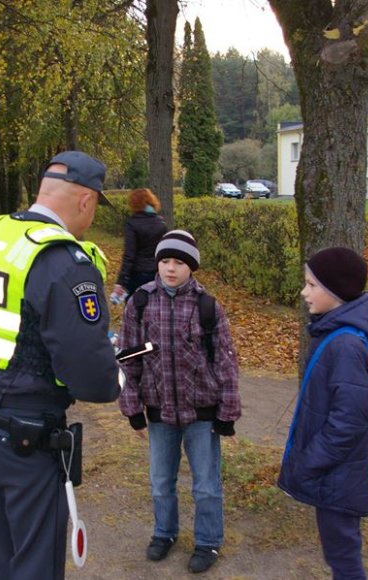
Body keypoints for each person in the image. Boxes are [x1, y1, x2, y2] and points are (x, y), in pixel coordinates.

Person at [0, 150, 121, 580]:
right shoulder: (64, 261)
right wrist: (115, 372)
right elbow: (94, 379)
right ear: (86, 201)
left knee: (2, 547)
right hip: (23, 435)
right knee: (35, 562)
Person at [117, 230, 241, 574]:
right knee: (160, 481)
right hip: (159, 413)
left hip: (201, 413)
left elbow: (225, 362)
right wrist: (133, 410)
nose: (171, 268)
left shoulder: (207, 307)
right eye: (165, 261)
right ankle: (164, 532)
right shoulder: (140, 304)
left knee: (205, 484)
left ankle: (208, 541)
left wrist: (227, 412)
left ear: (192, 267)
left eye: (180, 262)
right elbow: (128, 359)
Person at [277, 247, 368, 580]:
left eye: (311, 285)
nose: (303, 292)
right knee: (339, 553)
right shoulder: (336, 335)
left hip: (339, 475)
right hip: (336, 473)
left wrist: (308, 461)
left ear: (335, 292)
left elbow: (348, 423)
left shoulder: (346, 345)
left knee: (344, 559)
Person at [111, 188, 167, 304]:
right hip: (157, 273)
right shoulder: (162, 224)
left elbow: (129, 255)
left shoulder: (132, 224)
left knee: (134, 311)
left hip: (137, 274)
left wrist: (121, 281)